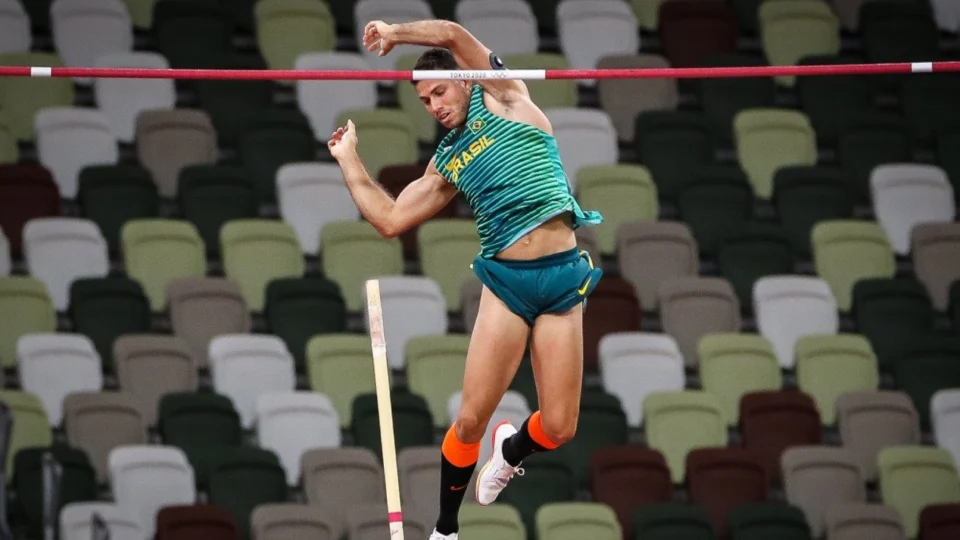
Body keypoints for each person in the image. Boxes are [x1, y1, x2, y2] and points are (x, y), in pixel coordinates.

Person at [327, 17, 605, 540]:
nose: (433, 106)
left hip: (562, 277)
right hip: (507, 285)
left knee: (560, 427)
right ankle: (446, 530)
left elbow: (453, 34)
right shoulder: (447, 161)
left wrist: (395, 34)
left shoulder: (502, 95)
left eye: (438, 91)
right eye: (425, 102)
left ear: (464, 80)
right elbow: (389, 220)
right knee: (471, 420)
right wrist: (349, 162)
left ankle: (512, 450)